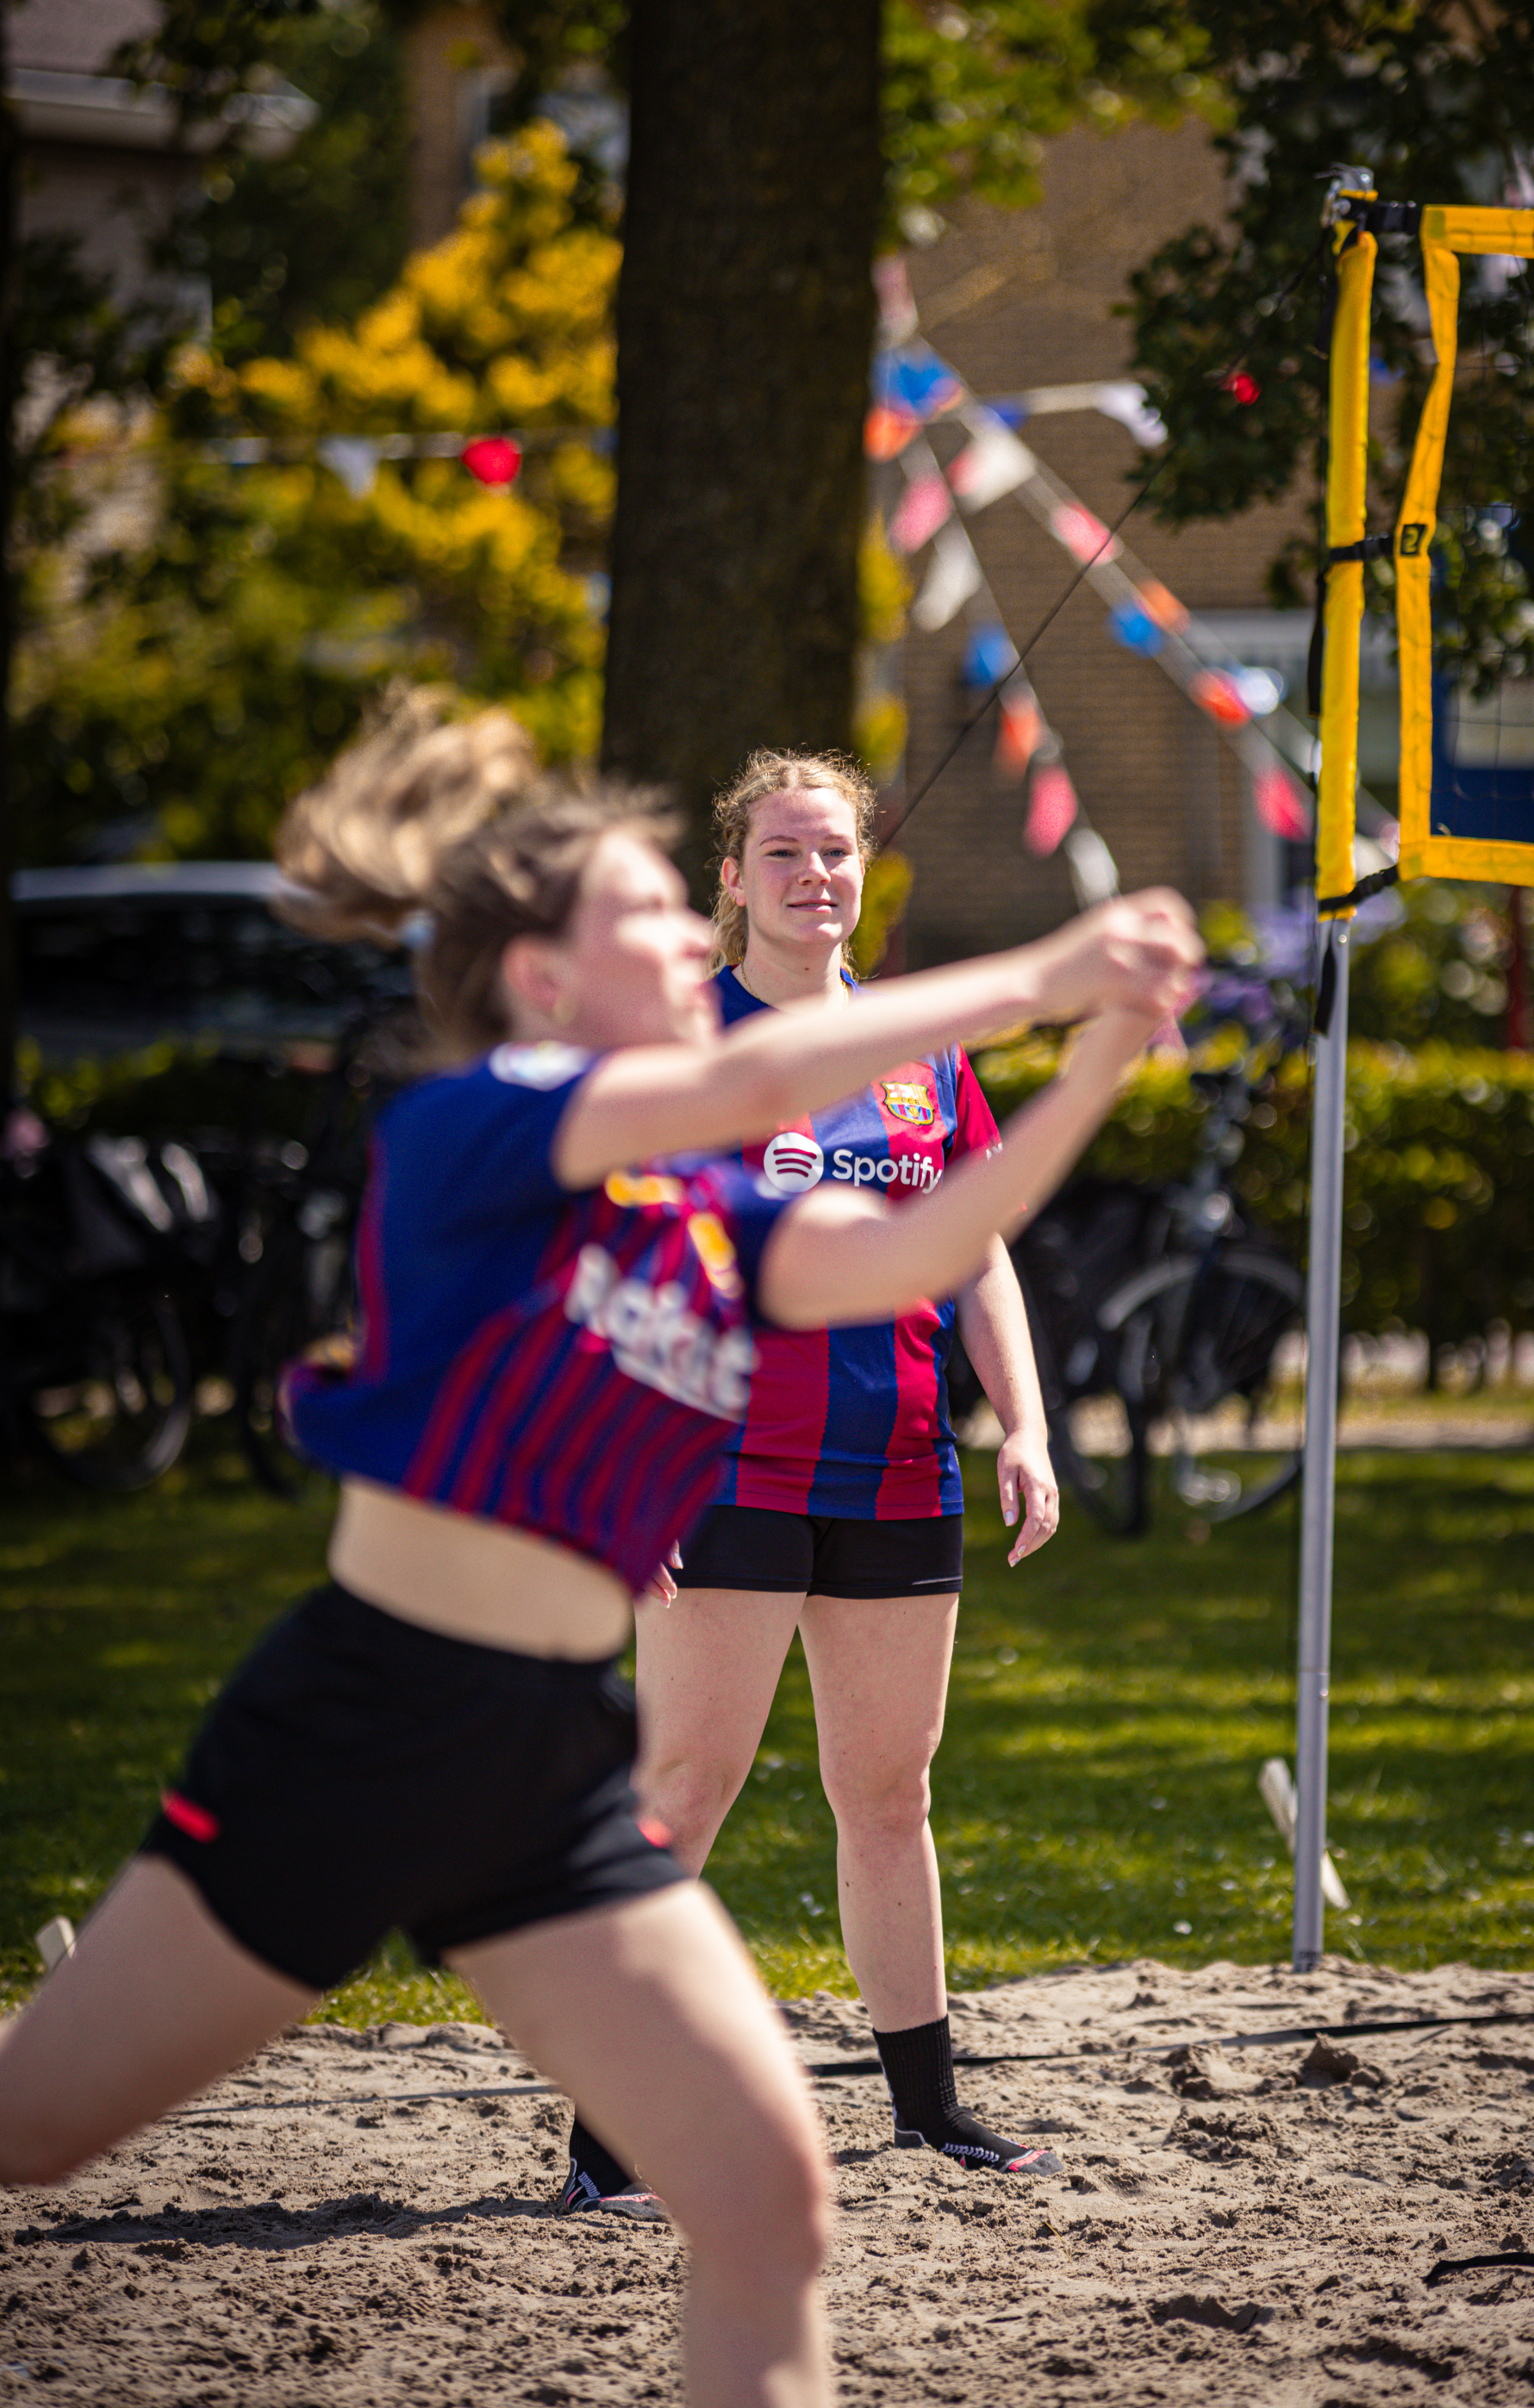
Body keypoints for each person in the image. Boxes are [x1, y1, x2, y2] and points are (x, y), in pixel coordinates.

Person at [0, 693, 1202, 2408]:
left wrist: (1097, 1053)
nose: (681, 923)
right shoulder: (477, 1125)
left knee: (767, 2199)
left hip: (550, 1769)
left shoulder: (713, 1207)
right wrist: (1042, 973)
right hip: (367, 1723)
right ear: (544, 977)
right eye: (643, 907)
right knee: (38, 2127)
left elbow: (932, 1235)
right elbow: (752, 1067)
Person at [561, 750, 1081, 2217]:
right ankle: (609, 2137)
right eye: (783, 853)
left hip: (902, 1468)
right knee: (686, 1789)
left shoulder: (919, 1047)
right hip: (715, 1474)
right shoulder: (689, 1051)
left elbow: (978, 1248)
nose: (814, 878)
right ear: (732, 878)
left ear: (866, 873)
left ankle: (931, 2113)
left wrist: (1025, 1426)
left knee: (888, 1789)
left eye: (837, 852)